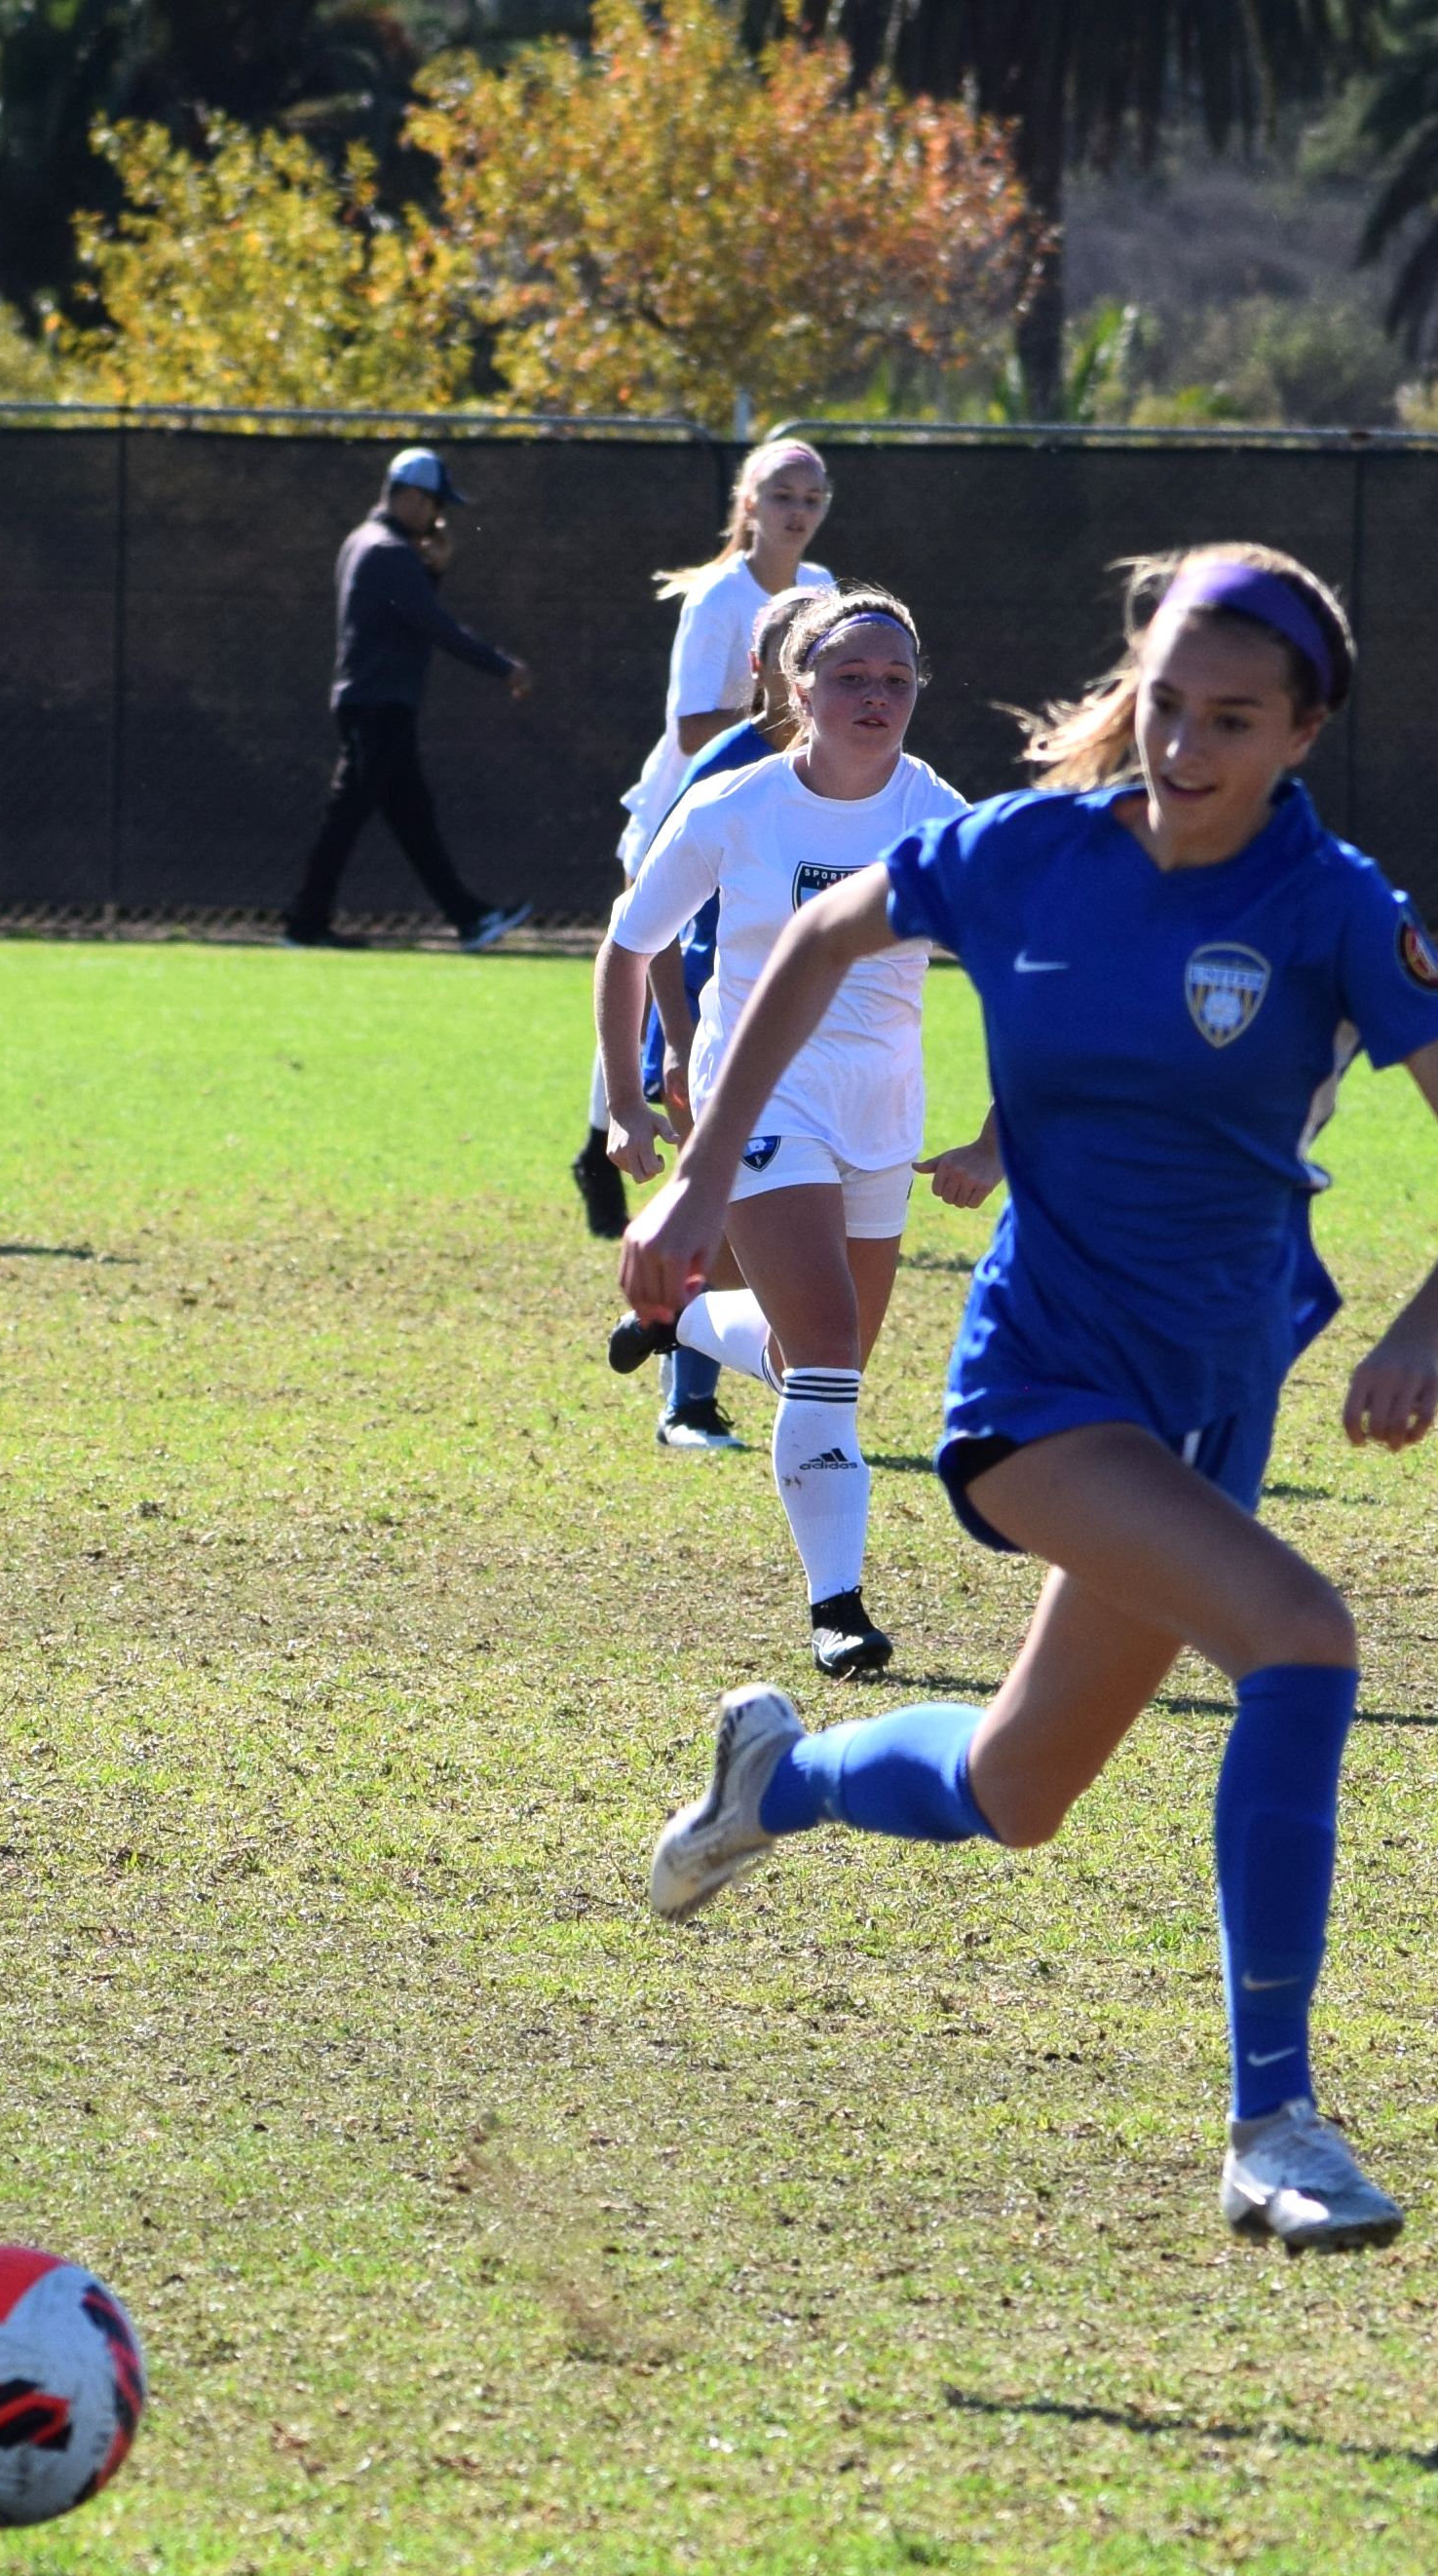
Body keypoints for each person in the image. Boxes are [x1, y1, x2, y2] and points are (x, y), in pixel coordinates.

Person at [627, 544, 1438, 2252]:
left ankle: (780, 1781)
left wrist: (1420, 1333)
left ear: (1305, 728)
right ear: (1139, 684)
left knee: (1012, 1787)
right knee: (1304, 1635)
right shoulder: (1030, 854)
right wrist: (693, 1188)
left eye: (1235, 721)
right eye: (1172, 707)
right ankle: (1274, 2120)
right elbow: (820, 938)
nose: (1189, 748)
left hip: (1216, 1405)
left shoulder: (1335, 904)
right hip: (1044, 1392)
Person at [597, 588, 1001, 1675]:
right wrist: (631, 1102)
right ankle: (839, 1609)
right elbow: (630, 946)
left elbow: (1029, 980)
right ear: (797, 686)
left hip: (884, 1114)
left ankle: (682, 1325)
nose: (875, 697)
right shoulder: (733, 806)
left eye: (897, 681)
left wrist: (996, 1138)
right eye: (851, 677)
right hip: (759, 1103)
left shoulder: (942, 818)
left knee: (809, 1361)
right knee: (826, 1358)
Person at [582, 583, 829, 1455]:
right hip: (708, 1021)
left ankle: (670, 1324)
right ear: (768, 671)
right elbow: (642, 923)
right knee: (714, 1208)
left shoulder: (858, 771)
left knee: (759, 1231)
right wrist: (676, 1048)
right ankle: (688, 1403)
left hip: (820, 1046)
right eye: (803, 654)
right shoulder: (725, 767)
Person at [574, 441, 835, 1236]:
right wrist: (787, 718)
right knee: (646, 958)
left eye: (812, 498)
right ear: (748, 502)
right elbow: (689, 726)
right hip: (686, 805)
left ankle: (763, 1155)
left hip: (770, 803)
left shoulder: (824, 590)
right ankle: (606, 1137)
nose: (797, 511)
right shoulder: (719, 598)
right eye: (782, 495)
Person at [282, 445, 537, 952]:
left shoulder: (362, 541)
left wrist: (433, 571)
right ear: (414, 499)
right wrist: (504, 667)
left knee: (410, 818)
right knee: (349, 816)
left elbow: (407, 612)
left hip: (370, 701)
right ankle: (303, 925)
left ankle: (469, 918)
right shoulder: (389, 551)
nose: (438, 517)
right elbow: (434, 625)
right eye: (436, 505)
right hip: (380, 705)